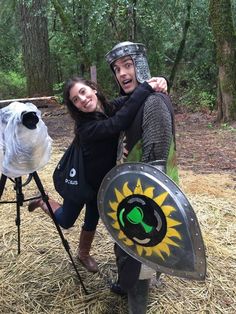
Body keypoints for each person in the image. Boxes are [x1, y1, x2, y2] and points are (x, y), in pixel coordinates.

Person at [28, 75, 167, 274]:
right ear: (74, 107)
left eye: (83, 92)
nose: (82, 100)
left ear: (93, 88)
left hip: (100, 184)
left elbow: (130, 101)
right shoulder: (86, 127)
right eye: (76, 100)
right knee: (66, 221)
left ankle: (83, 254)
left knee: (92, 219)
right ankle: (43, 202)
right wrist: (146, 87)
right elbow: (118, 123)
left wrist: (158, 81)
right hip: (80, 181)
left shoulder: (108, 108)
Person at [105, 41, 179, 313]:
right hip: (130, 191)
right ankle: (126, 284)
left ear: (141, 66)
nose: (122, 73)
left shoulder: (153, 103)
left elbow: (156, 164)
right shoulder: (131, 101)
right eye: (117, 69)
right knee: (125, 245)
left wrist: (147, 205)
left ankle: (137, 305)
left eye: (128, 65)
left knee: (141, 253)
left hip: (148, 196)